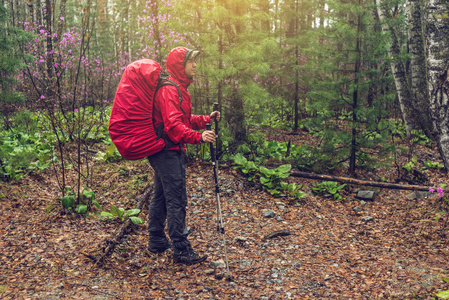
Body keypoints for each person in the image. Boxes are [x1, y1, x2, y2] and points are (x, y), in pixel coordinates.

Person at [147, 46, 220, 265]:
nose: (195, 65)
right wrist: (199, 137)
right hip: (167, 151)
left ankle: (157, 240)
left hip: (164, 151)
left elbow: (183, 119)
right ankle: (180, 249)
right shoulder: (170, 90)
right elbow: (173, 126)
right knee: (177, 198)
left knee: (161, 195)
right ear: (180, 65)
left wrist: (206, 118)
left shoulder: (178, 88)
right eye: (191, 62)